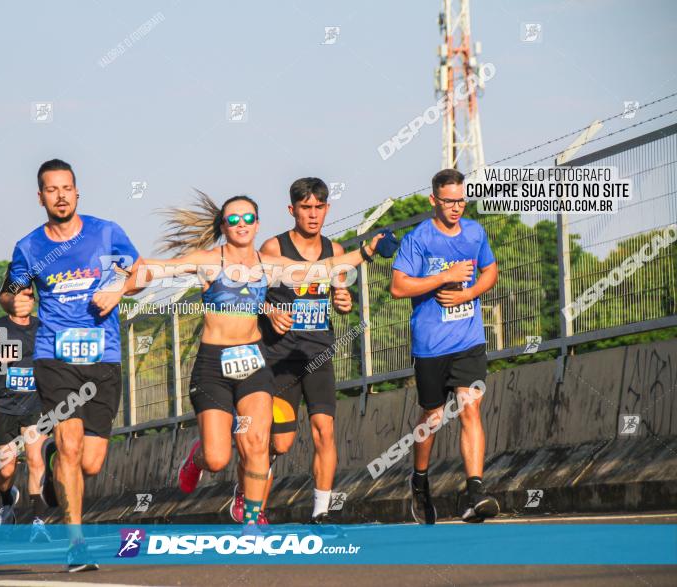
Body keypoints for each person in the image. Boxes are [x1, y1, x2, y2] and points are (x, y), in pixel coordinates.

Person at [135, 191, 391, 527]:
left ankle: (252, 522)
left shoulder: (268, 266)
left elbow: (323, 269)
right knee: (217, 457)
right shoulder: (210, 261)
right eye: (233, 219)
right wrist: (121, 281)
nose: (241, 224)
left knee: (257, 442)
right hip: (214, 364)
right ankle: (196, 458)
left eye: (248, 219)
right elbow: (159, 269)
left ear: (257, 224)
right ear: (224, 226)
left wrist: (368, 251)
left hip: (254, 363)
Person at [0, 159, 143, 572]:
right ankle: (75, 544)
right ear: (40, 196)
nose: (60, 195)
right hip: (55, 357)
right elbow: (8, 294)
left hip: (103, 358)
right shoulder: (29, 246)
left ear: (77, 193)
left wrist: (118, 288)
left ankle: (47, 463)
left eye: (67, 188)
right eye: (51, 189)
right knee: (71, 445)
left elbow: (141, 271)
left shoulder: (105, 232)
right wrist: (16, 301)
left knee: (92, 461)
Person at [229, 177, 365, 525]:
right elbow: (246, 295)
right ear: (292, 210)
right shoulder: (274, 249)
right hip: (279, 360)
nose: (313, 214)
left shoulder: (335, 253)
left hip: (317, 355)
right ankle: (248, 489)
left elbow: (341, 301)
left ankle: (321, 511)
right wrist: (270, 311)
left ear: (327, 209)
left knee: (325, 429)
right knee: (281, 443)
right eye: (306, 208)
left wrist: (344, 301)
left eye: (319, 207)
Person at [390, 168, 499, 524]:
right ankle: (420, 482)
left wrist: (468, 292)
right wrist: (445, 277)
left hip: (468, 339)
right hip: (431, 344)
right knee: (433, 418)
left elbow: (490, 271)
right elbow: (398, 287)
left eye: (461, 200)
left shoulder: (474, 232)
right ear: (434, 200)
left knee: (470, 409)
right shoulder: (418, 239)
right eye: (449, 201)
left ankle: (475, 491)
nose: (457, 207)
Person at [0, 289, 51, 542]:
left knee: (37, 460)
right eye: (19, 296)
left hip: (35, 405)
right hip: (4, 406)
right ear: (9, 301)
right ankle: (6, 500)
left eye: (29, 295)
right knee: (5, 469)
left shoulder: (43, 326)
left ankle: (38, 521)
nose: (24, 300)